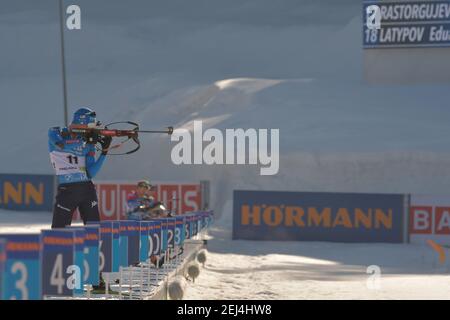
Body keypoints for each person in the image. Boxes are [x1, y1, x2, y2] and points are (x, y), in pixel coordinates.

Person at [48, 107, 112, 228]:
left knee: (94, 230)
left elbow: (90, 173)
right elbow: (62, 145)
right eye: (89, 126)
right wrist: (83, 140)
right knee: (59, 231)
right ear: (81, 123)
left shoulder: (88, 142)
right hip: (67, 191)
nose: (90, 130)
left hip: (87, 190)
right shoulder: (56, 132)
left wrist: (104, 152)